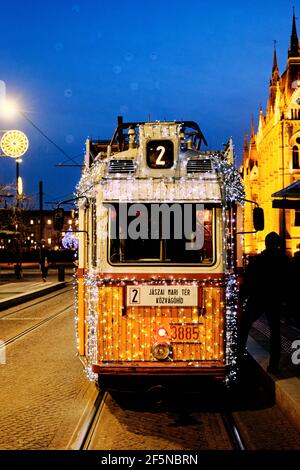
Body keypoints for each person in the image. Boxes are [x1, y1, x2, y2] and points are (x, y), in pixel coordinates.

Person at [238, 232, 292, 374]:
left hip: (258, 299)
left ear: (267, 244)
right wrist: (286, 301)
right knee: (275, 332)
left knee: (244, 326)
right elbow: (289, 282)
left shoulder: (259, 260)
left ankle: (239, 356)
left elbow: (249, 280)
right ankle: (274, 365)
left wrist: (242, 297)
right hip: (275, 300)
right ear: (278, 244)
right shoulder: (284, 260)